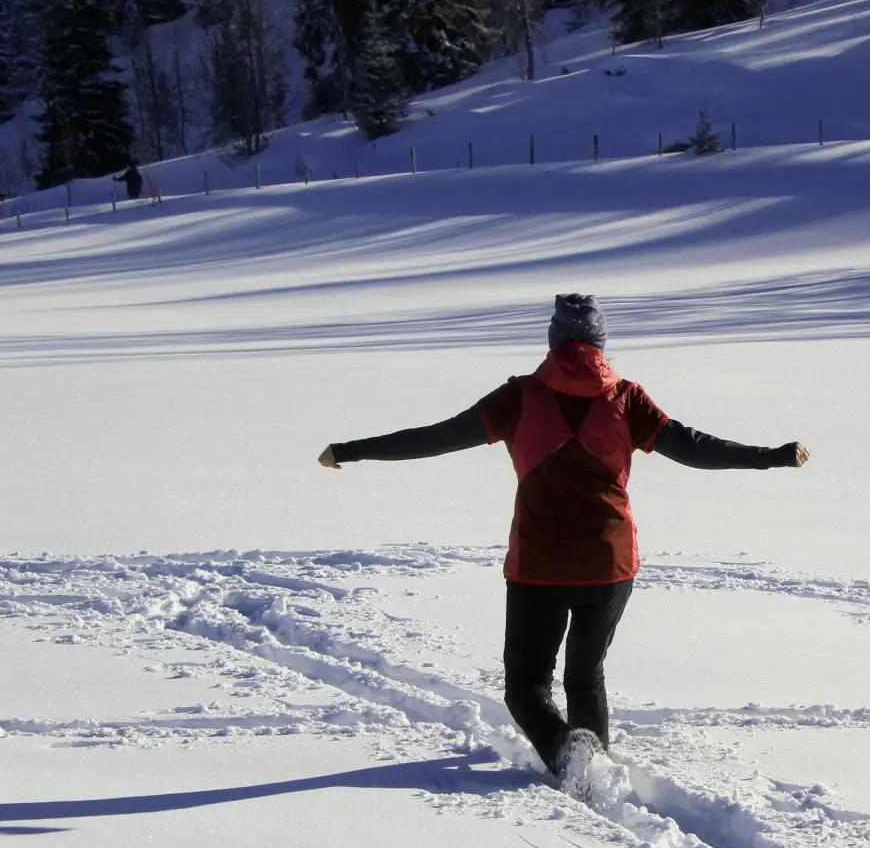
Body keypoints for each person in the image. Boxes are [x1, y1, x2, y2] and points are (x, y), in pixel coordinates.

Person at [318, 294, 808, 794]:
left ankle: (566, 754)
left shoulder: (521, 396)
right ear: (600, 343)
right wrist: (771, 456)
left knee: (527, 687)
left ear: (553, 342)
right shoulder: (626, 398)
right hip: (611, 563)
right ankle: (595, 768)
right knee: (586, 675)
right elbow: (694, 449)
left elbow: (434, 438)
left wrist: (350, 451)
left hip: (540, 567)